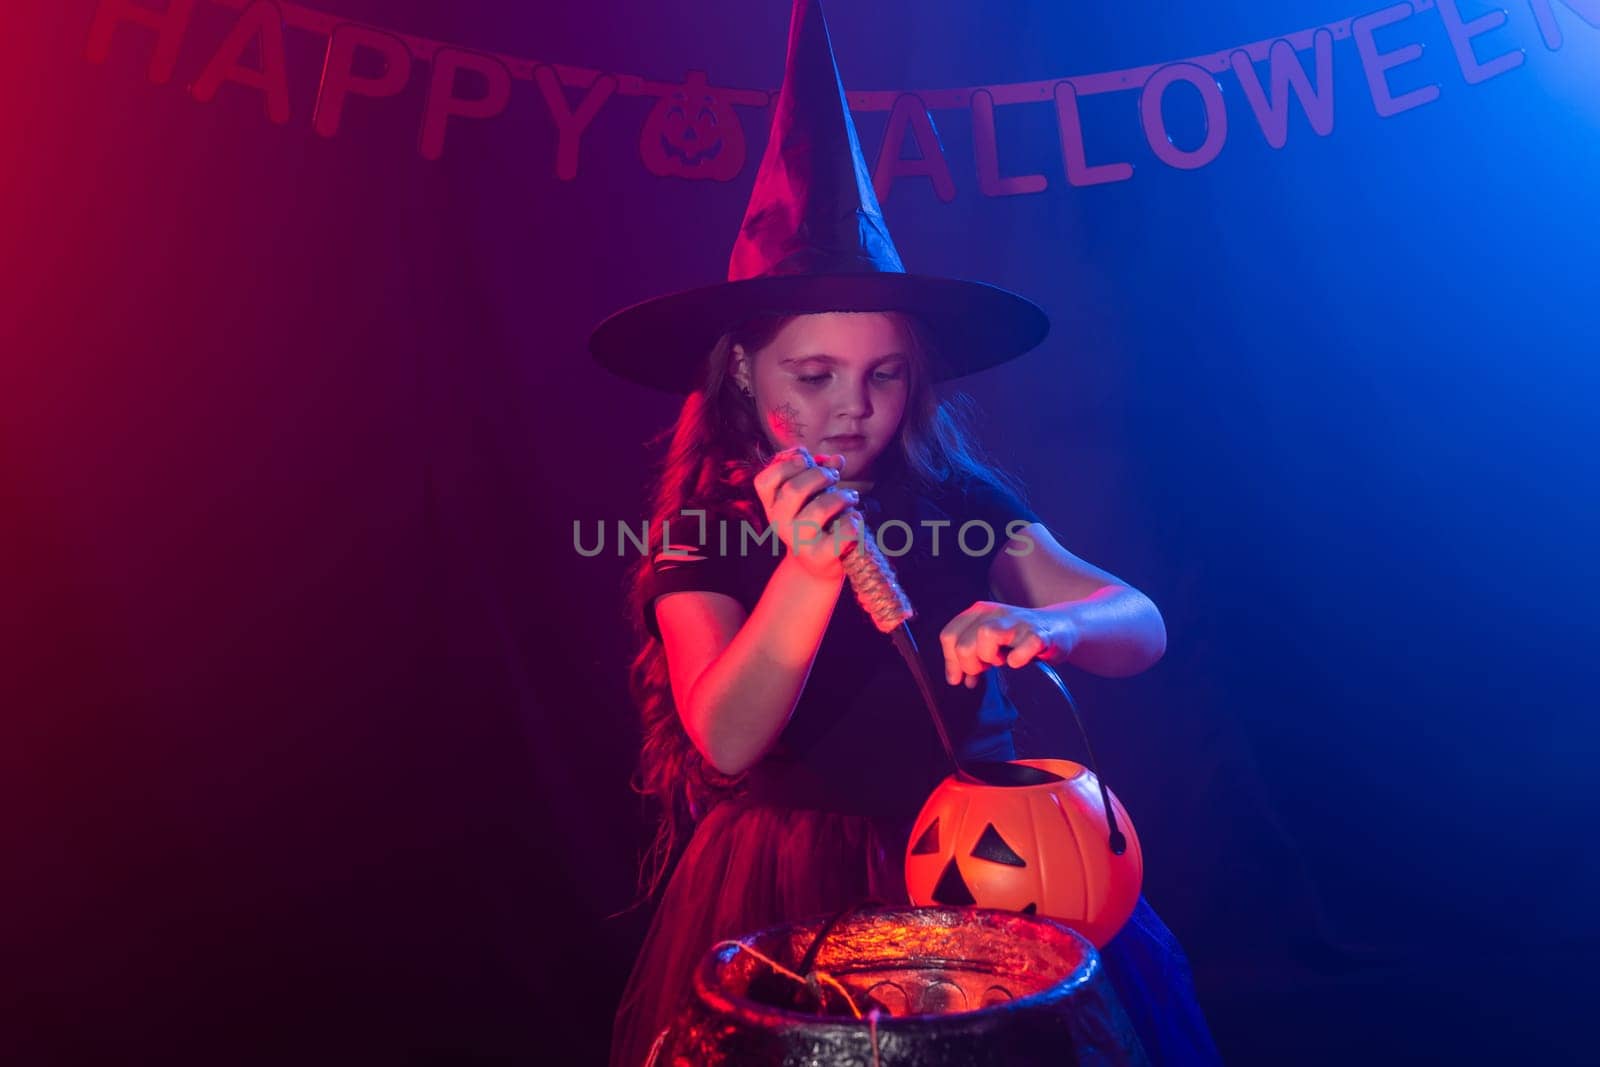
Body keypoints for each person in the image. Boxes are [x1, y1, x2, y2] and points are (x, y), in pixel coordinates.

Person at [588, 3, 1222, 1064]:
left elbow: (1138, 620)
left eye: (882, 375)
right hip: (801, 883)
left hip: (1002, 867)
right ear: (743, 371)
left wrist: (1050, 629)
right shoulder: (707, 531)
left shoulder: (960, 502)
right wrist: (807, 568)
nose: (852, 406)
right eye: (815, 375)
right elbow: (728, 736)